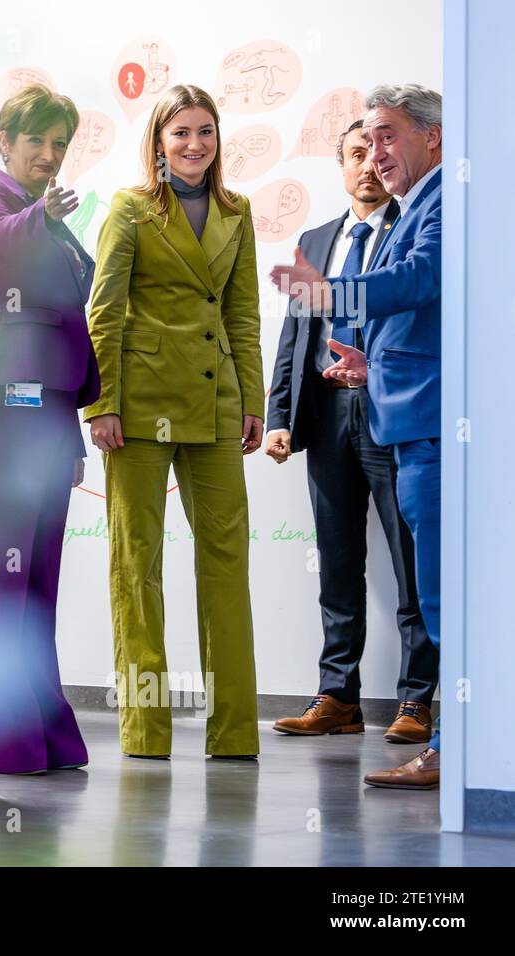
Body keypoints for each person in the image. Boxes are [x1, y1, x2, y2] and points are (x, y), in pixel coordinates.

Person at [271, 84, 443, 790]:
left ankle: (434, 725)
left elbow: (419, 279)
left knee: (429, 586)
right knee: (365, 570)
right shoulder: (386, 215)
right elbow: (296, 341)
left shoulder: (444, 201)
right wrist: (369, 363)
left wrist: (334, 296)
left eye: (388, 137)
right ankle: (347, 702)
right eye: (364, 144)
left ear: (432, 136)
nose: (376, 156)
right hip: (358, 409)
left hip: (422, 424)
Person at [85, 84, 264, 759]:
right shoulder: (130, 210)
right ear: (158, 141)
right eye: (181, 132)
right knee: (138, 563)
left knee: (227, 561)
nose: (194, 144)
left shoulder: (237, 210)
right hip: (137, 406)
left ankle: (234, 731)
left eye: (206, 132)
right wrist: (100, 403)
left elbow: (242, 315)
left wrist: (253, 402)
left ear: (218, 141)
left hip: (217, 402)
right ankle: (145, 728)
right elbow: (104, 311)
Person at [0, 84, 100, 774]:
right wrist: (36, 217)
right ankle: (6, 735)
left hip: (52, 413)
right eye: (36, 140)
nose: (49, 155)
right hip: (10, 412)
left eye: (59, 143)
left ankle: (42, 726)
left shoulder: (48, 219)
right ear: (6, 141)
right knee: (9, 578)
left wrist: (77, 432)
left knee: (39, 581)